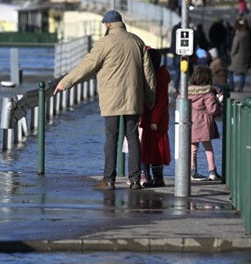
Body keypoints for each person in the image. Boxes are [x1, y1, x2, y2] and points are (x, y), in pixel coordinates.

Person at [54, 10, 156, 191]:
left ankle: (108, 179)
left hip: (112, 99)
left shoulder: (104, 43)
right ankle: (135, 179)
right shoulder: (137, 41)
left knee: (112, 137)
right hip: (134, 97)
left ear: (108, 25)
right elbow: (148, 75)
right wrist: (150, 98)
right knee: (132, 137)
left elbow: (86, 66)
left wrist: (65, 83)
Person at [139, 48, 171, 187]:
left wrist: (153, 120)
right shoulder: (161, 75)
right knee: (155, 150)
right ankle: (156, 178)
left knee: (154, 150)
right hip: (156, 120)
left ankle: (157, 179)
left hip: (154, 121)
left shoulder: (156, 78)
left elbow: (160, 101)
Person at [187, 66, 222, 181]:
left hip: (190, 122)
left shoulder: (187, 91)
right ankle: (212, 172)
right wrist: (220, 105)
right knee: (208, 148)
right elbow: (213, 110)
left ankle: (193, 171)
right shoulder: (208, 93)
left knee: (193, 149)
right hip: (204, 123)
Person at [228, 17, 251, 92]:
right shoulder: (248, 34)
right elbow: (250, 46)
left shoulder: (238, 35)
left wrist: (231, 55)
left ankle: (232, 87)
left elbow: (235, 47)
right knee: (243, 73)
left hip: (237, 57)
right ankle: (240, 88)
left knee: (230, 71)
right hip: (245, 56)